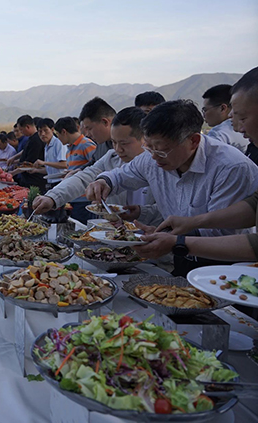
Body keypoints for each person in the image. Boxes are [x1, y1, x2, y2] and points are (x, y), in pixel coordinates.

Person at [85, 99, 258, 276]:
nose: (153, 157)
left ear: (193, 141)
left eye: (161, 151)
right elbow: (122, 175)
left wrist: (174, 240)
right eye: (149, 148)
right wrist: (104, 182)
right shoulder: (152, 157)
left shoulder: (230, 167)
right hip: (181, 255)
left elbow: (221, 232)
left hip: (225, 268)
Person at [130, 67, 258, 263]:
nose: (238, 128)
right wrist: (188, 225)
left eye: (242, 118)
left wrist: (177, 242)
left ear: (193, 141)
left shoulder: (232, 165)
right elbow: (253, 207)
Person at [33, 107, 159, 224]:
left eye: (124, 143)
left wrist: (142, 213)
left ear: (144, 139)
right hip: (116, 236)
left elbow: (169, 211)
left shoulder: (160, 165)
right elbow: (84, 177)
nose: (118, 149)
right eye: (114, 143)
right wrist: (52, 197)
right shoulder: (111, 158)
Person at [51, 116, 97, 223]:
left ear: (64, 132)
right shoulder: (69, 149)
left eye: (58, 135)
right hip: (73, 197)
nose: (58, 138)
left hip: (84, 199)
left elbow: (97, 167)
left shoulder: (86, 144)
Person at [202, 84, 249, 153]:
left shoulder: (218, 134)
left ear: (223, 108)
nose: (204, 115)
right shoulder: (248, 128)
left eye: (205, 110)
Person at [9, 115, 47, 192]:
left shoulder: (36, 140)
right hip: (28, 179)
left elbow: (29, 164)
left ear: (27, 127)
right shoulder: (31, 138)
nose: (21, 132)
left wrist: (13, 173)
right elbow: (25, 151)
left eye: (21, 130)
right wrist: (14, 158)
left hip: (34, 181)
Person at [28, 118, 67, 184]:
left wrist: (44, 163)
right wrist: (36, 170)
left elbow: (64, 164)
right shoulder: (46, 146)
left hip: (61, 181)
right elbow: (50, 169)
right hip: (51, 182)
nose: (43, 134)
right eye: (40, 131)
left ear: (52, 130)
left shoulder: (58, 143)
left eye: (45, 130)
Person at [79, 97, 116, 165]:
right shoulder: (101, 144)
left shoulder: (130, 145)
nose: (88, 134)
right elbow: (93, 163)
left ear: (105, 122)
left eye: (90, 129)